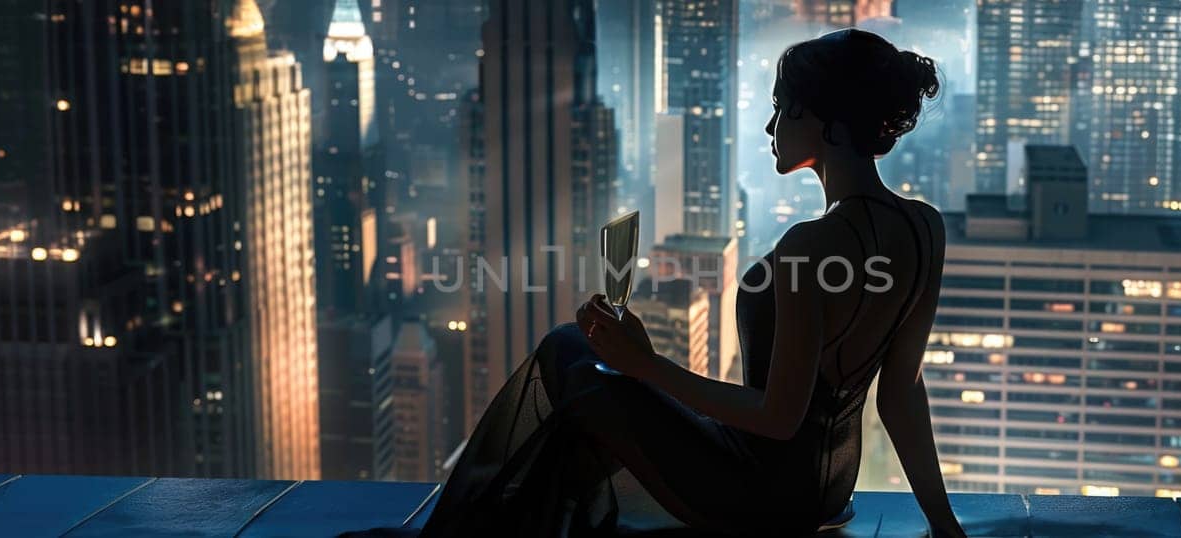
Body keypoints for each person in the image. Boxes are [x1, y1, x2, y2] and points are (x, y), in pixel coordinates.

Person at [376, 29, 968, 537]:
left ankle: (481, 527)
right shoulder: (924, 229)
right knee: (581, 352)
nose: (770, 124)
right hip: (829, 492)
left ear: (831, 125)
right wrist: (944, 523)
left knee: (567, 351)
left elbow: (777, 418)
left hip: (761, 494)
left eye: (784, 108)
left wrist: (644, 365)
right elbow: (901, 393)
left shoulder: (809, 247)